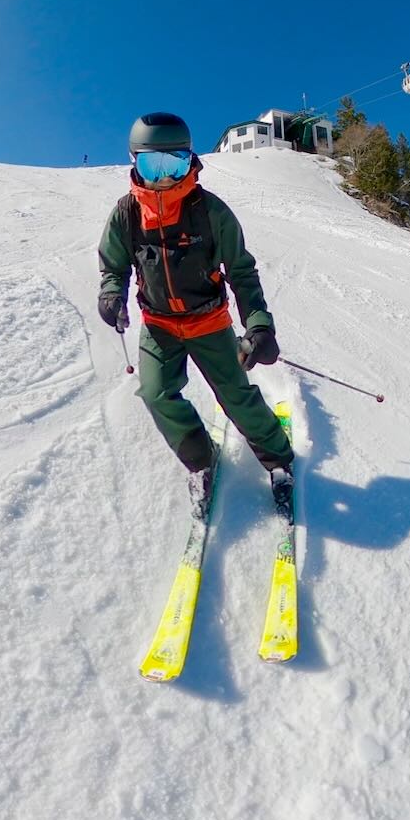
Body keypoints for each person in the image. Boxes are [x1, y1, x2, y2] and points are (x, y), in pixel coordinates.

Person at [97, 112, 295, 517]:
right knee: (155, 394)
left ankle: (278, 459)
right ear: (134, 163)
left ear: (190, 161)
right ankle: (200, 458)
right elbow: (113, 266)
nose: (164, 178)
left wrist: (258, 325)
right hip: (159, 326)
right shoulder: (126, 214)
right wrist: (111, 294)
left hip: (208, 321)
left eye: (175, 164)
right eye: (153, 165)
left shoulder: (210, 212)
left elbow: (241, 272)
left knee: (235, 395)